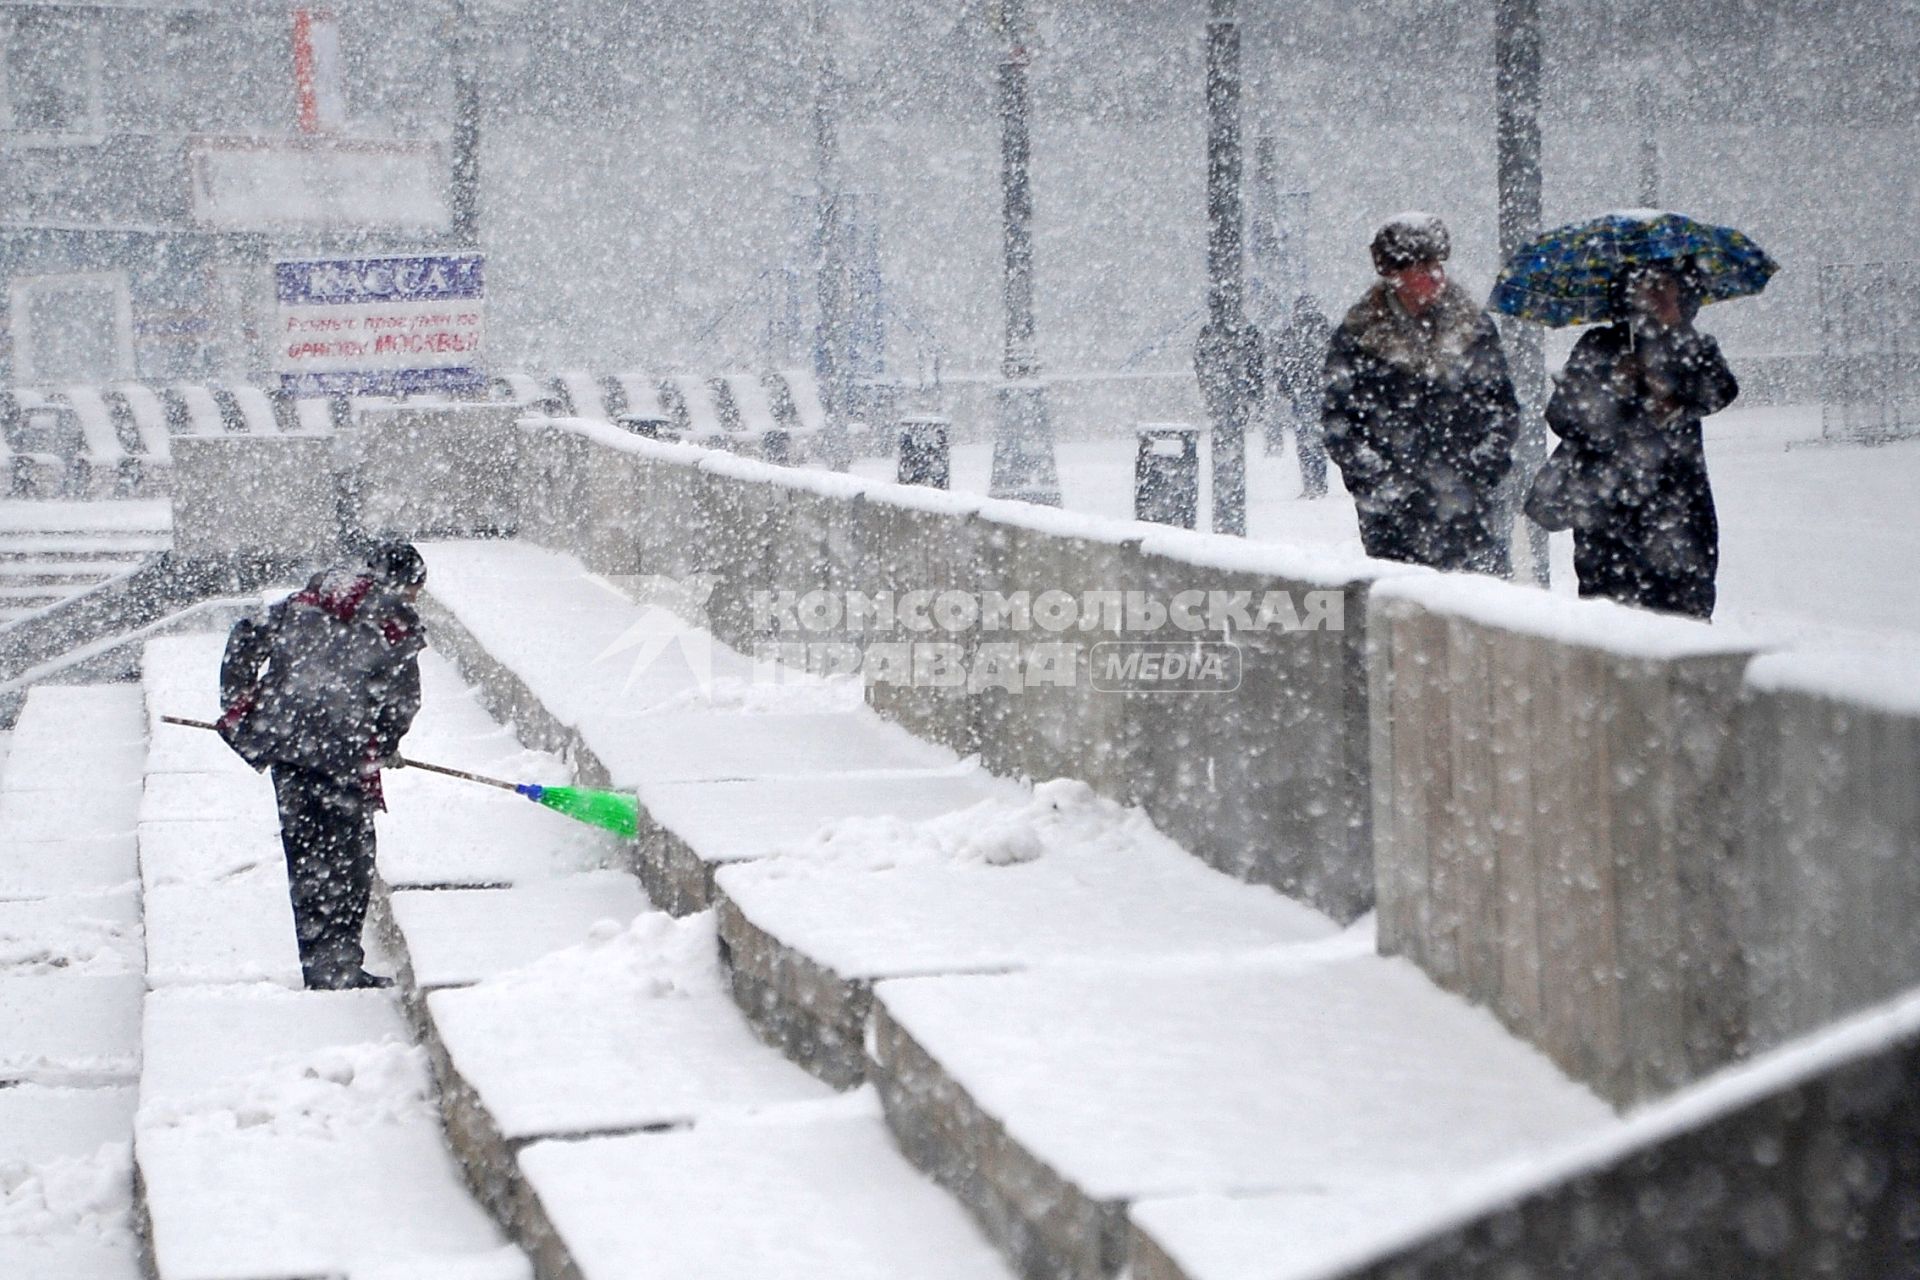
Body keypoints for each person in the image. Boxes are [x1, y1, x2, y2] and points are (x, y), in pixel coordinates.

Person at [217, 541, 428, 990]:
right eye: (415, 591)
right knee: (350, 865)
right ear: (404, 585)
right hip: (343, 754)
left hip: (289, 747)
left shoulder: (299, 605)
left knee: (308, 861)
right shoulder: (392, 623)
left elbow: (244, 638)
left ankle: (322, 967)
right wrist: (383, 742)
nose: (414, 601)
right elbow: (402, 700)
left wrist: (241, 713)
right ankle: (340, 966)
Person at [1321, 214, 1520, 574]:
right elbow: (1340, 425)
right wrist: (1385, 485)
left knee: (1479, 616)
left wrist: (1478, 473)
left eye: (1438, 264)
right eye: (1423, 265)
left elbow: (1502, 410)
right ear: (1395, 273)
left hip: (1470, 514)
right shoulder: (1357, 338)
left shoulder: (1474, 329)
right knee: (1403, 618)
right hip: (1394, 523)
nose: (1436, 275)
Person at [1540, 260, 1738, 619]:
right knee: (1611, 627)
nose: (1659, 294)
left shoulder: (1694, 345)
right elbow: (1561, 415)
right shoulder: (1599, 344)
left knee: (1686, 621)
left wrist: (1673, 394)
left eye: (1668, 284)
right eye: (1649, 285)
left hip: (1681, 511)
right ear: (1629, 293)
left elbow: (1721, 390)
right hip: (1609, 517)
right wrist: (1611, 385)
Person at [1268, 294, 1332, 496]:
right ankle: (1318, 481)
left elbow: (1282, 364)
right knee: (1315, 439)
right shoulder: (1325, 332)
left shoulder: (1292, 334)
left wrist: (1286, 386)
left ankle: (1311, 482)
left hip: (1301, 391)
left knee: (1305, 439)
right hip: (1319, 391)